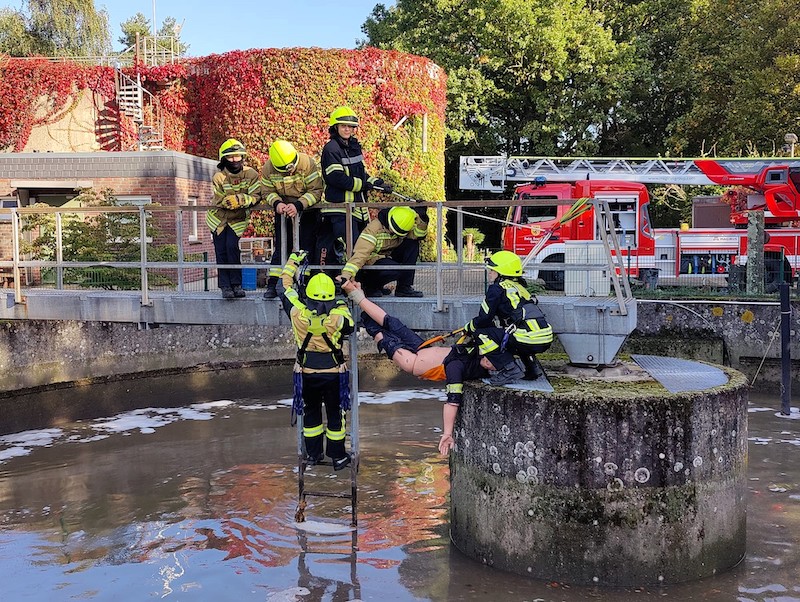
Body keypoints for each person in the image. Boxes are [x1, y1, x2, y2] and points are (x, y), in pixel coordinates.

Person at [342, 279, 510, 457]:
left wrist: (447, 433)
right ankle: (358, 295)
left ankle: (355, 297)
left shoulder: (457, 369)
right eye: (492, 359)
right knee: (392, 322)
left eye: (494, 364)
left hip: (413, 362)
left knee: (380, 334)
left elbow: (452, 401)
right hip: (424, 347)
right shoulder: (480, 349)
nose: (491, 362)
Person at [280, 250, 354, 471]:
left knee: (311, 413)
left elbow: (284, 289)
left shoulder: (297, 314)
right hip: (333, 375)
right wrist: (341, 302)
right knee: (335, 415)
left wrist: (293, 262)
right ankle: (338, 457)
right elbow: (349, 325)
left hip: (306, 375)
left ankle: (313, 455)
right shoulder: (338, 317)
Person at [318, 106, 391, 270]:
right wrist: (364, 185)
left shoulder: (353, 147)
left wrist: (376, 183)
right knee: (352, 250)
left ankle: (365, 286)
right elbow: (336, 177)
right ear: (335, 127)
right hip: (340, 210)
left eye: (350, 127)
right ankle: (350, 287)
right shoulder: (331, 148)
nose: (347, 129)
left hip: (357, 210)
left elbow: (361, 174)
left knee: (361, 249)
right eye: (344, 126)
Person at [464, 250, 554, 381]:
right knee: (513, 334)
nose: (489, 273)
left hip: (527, 337)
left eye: (492, 270)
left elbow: (484, 319)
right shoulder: (519, 287)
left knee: (480, 333)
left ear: (501, 273)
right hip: (543, 337)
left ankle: (510, 370)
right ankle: (532, 370)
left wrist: (469, 327)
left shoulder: (497, 288)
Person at [260, 140, 324, 300]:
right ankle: (273, 285)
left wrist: (298, 205)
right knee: (281, 249)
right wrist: (277, 203)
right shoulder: (268, 168)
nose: (289, 171)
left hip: (307, 211)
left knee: (306, 249)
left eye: (291, 167)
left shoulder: (307, 163)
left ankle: (305, 286)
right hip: (283, 211)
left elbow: (316, 191)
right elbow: (266, 191)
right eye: (284, 170)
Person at [208, 138, 261, 299]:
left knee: (232, 247)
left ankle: (237, 285)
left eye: (238, 156)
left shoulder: (250, 174)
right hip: (218, 219)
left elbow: (256, 196)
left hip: (237, 218)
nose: (234, 160)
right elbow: (219, 199)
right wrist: (227, 201)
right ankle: (225, 287)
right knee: (221, 250)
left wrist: (240, 200)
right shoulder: (218, 177)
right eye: (231, 157)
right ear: (224, 159)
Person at [337, 205, 428, 297]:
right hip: (371, 261)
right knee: (392, 270)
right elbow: (360, 254)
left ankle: (404, 288)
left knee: (412, 244)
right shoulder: (373, 229)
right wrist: (346, 276)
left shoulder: (405, 222)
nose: (393, 234)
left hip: (387, 256)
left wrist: (422, 219)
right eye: (393, 231)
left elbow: (418, 235)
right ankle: (369, 287)